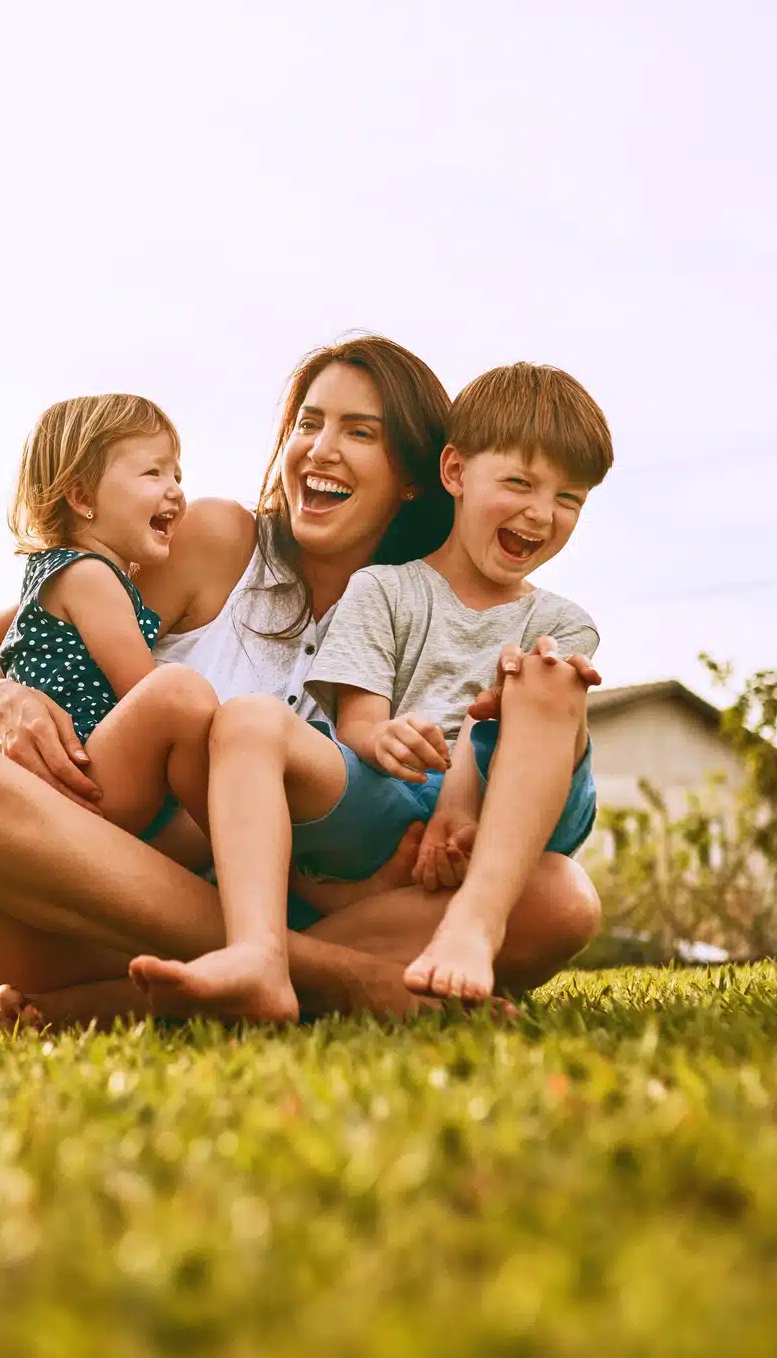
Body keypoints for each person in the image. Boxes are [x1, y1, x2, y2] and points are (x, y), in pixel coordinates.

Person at [0, 336, 604, 1028]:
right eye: (308, 423)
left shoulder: (432, 615)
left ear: (416, 477)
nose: (320, 449)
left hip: (299, 913)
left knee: (559, 899)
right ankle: (333, 979)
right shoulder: (216, 541)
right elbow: (35, 629)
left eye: (359, 432)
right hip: (84, 906)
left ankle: (172, 989)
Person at [127, 363, 611, 1022]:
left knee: (545, 679)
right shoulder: (383, 589)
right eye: (520, 483)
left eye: (568, 499)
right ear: (455, 473)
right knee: (247, 720)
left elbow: (512, 734)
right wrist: (380, 736)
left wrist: (464, 802)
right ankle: (258, 956)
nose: (539, 512)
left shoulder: (560, 622)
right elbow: (357, 723)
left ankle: (473, 925)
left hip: (515, 806)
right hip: (398, 797)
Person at [0, 392, 215, 868]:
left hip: (70, 783)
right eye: (153, 473)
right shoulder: (93, 577)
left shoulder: (49, 572)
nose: (175, 489)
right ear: (82, 497)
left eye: (177, 474)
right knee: (182, 696)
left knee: (215, 846)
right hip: (89, 776)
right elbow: (145, 692)